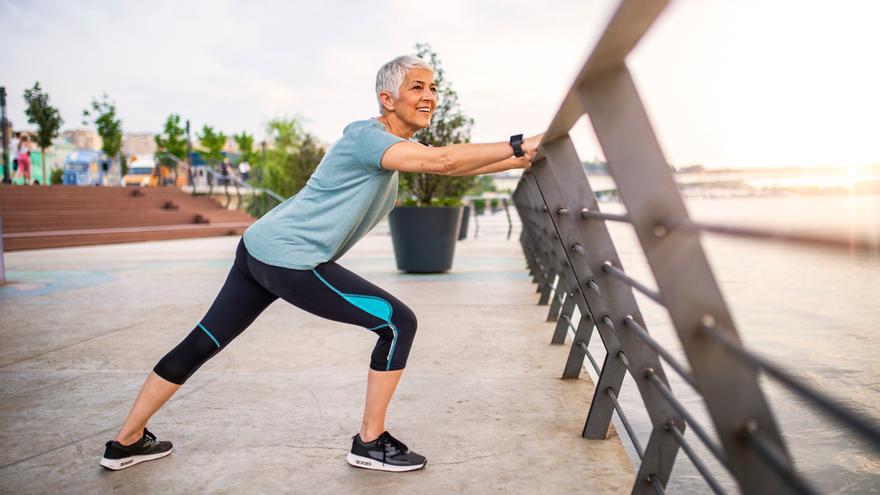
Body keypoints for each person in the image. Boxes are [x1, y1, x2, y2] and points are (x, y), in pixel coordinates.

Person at [99, 54, 541, 473]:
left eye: (434, 88)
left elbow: (452, 166)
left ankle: (127, 441)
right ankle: (370, 442)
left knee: (204, 340)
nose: (430, 96)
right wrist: (519, 141)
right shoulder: (369, 138)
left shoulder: (389, 145)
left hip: (260, 248)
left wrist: (518, 158)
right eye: (418, 87)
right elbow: (442, 161)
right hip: (290, 257)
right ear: (387, 99)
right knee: (396, 323)